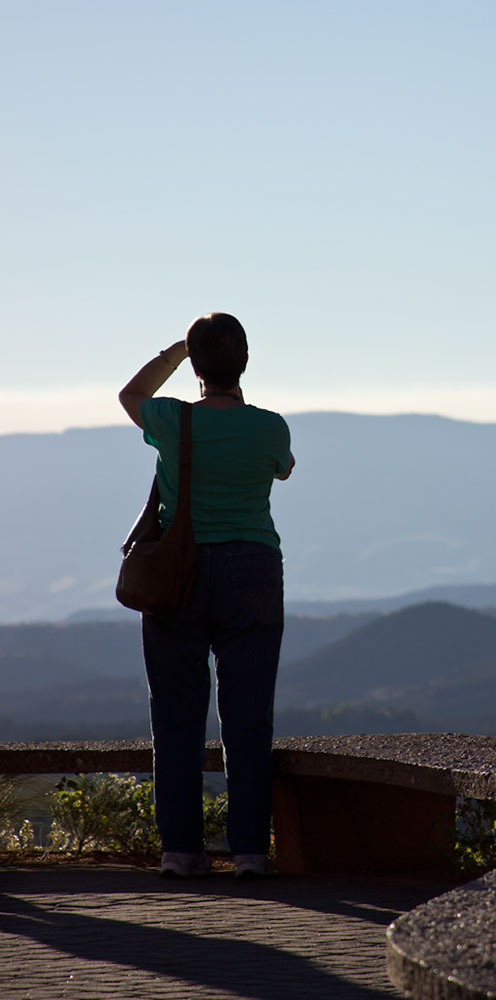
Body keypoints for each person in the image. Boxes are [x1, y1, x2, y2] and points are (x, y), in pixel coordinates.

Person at [118, 312, 294, 879]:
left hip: (178, 571)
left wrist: (174, 354)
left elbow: (130, 394)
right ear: (245, 362)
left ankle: (180, 851)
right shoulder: (270, 427)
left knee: (175, 715)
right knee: (248, 715)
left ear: (195, 366)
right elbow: (284, 471)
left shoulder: (172, 418)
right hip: (253, 569)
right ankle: (249, 853)